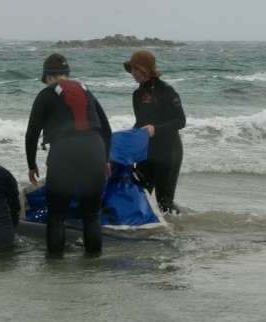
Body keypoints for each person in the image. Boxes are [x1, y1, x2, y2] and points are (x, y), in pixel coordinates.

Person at [25, 53, 112, 257]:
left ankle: (55, 266)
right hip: (95, 150)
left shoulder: (46, 94)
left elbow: (32, 134)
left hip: (64, 152)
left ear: (48, 77)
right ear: (67, 74)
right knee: (91, 215)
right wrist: (105, 159)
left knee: (56, 216)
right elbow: (106, 129)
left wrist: (32, 164)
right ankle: (93, 265)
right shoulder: (86, 91)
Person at [123, 50, 186, 213]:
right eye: (131, 69)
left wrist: (155, 128)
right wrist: (127, 140)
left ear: (146, 69)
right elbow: (140, 122)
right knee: (136, 196)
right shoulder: (137, 94)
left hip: (168, 152)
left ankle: (176, 230)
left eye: (136, 69)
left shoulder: (167, 90)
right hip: (147, 152)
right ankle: (140, 231)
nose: (133, 73)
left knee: (164, 202)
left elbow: (180, 121)